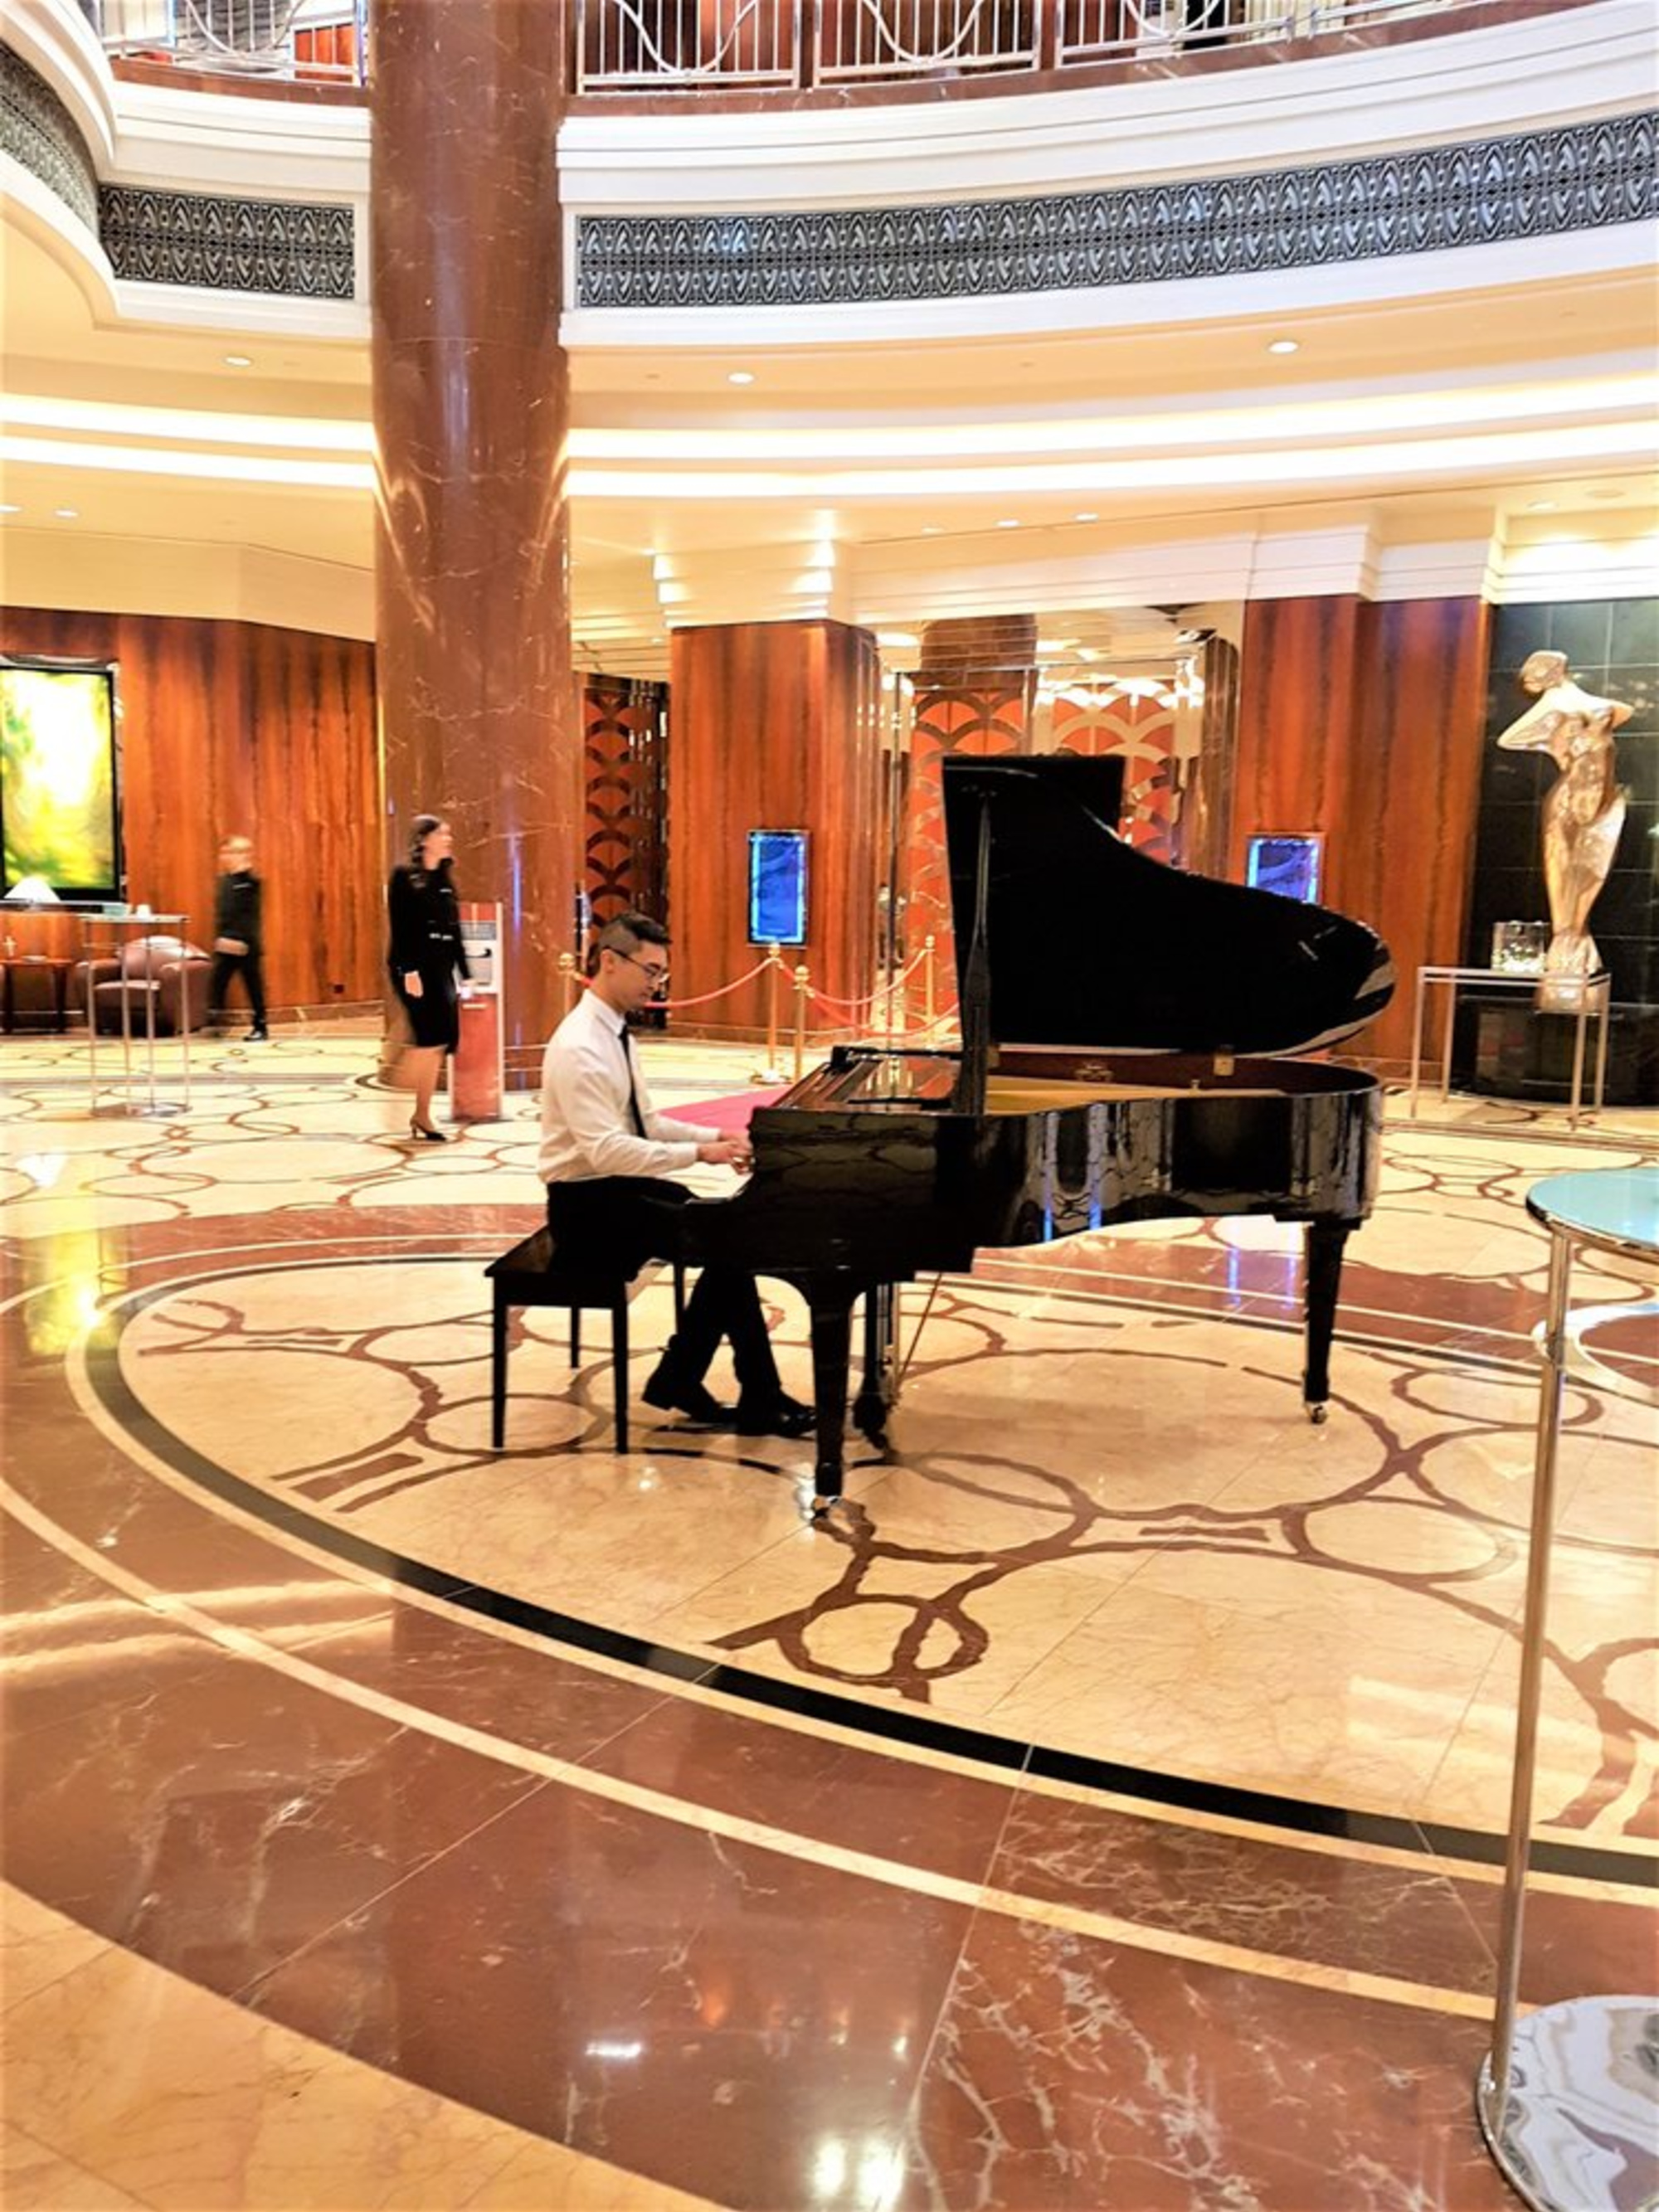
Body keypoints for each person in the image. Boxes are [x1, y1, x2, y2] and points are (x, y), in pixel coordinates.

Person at [538, 911, 814, 1438]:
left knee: (728, 1235)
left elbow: (647, 1123)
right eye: (650, 970)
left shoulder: (616, 1034)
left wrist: (718, 1140)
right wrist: (699, 1157)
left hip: (618, 1192)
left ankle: (696, 1381)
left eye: (661, 973)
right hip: (587, 1208)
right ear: (610, 962)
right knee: (728, 1241)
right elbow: (605, 1154)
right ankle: (738, 1390)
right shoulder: (580, 1046)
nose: (656, 984)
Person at [1496, 650, 1632, 990]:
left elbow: (1621, 717)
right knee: (1564, 878)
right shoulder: (1552, 711)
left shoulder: (1603, 708)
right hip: (1568, 802)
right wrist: (1551, 736)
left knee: (1590, 874)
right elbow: (1509, 739)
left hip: (1604, 803)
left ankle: (1575, 957)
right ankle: (1566, 963)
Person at [387, 813, 468, 1142]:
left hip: (441, 968)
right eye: (442, 834)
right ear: (424, 840)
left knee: (441, 1040)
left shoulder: (445, 879)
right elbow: (401, 928)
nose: (448, 839)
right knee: (427, 1038)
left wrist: (466, 973)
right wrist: (409, 972)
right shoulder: (404, 878)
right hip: (413, 968)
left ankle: (421, 1111)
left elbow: (455, 929)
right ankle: (405, 1094)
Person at [210, 834, 267, 1042]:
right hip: (226, 942)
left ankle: (260, 1026)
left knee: (253, 986)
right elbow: (224, 913)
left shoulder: (251, 882)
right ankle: (216, 1022)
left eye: (230, 852)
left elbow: (248, 915)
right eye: (224, 852)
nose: (225, 857)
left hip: (245, 944)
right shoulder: (225, 882)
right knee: (217, 983)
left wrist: (239, 939)